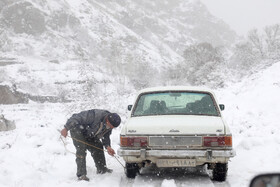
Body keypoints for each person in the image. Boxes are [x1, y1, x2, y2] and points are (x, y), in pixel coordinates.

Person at [60, 109, 121, 181]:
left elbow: (106, 136)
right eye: (111, 126)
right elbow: (75, 118)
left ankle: (102, 169)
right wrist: (66, 128)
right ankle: (81, 175)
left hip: (90, 133)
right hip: (77, 129)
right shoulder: (94, 115)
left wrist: (108, 146)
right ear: (107, 120)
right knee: (81, 149)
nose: (111, 128)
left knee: (98, 146)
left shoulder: (110, 125)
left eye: (112, 128)